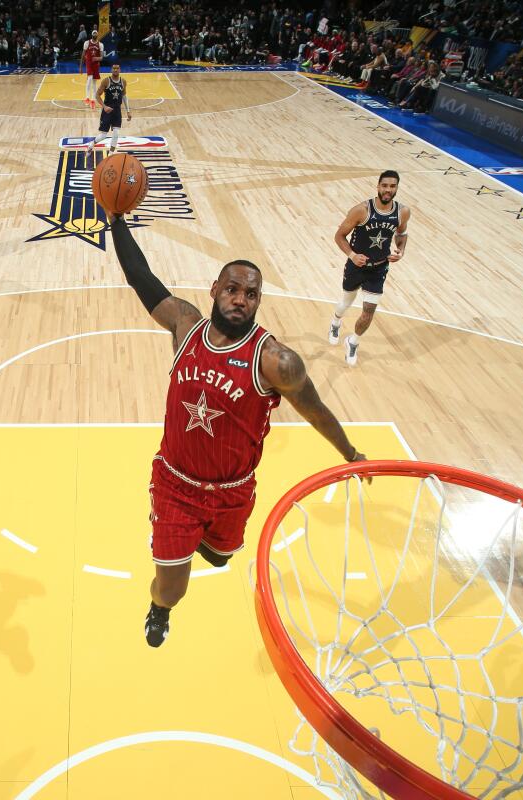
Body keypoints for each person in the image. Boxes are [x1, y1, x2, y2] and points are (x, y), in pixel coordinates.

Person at [108, 215, 367, 647]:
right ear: (214, 290)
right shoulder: (185, 326)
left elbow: (316, 410)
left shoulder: (275, 362)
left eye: (251, 294)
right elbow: (141, 277)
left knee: (220, 556)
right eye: (232, 289)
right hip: (176, 485)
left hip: (233, 491)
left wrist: (350, 453)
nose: (240, 300)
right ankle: (159, 608)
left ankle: (207, 543)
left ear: (258, 301)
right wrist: (115, 219)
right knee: (172, 589)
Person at [328, 170, 412, 366]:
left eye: (392, 186)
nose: (388, 190)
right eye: (384, 185)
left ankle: (353, 341)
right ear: (378, 186)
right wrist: (352, 255)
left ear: (397, 188)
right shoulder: (361, 210)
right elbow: (339, 236)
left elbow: (402, 234)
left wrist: (400, 250)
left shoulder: (403, 212)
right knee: (346, 302)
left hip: (379, 268)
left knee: (369, 311)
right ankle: (335, 322)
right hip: (356, 266)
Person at [87, 63, 130, 156]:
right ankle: (91, 144)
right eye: (114, 68)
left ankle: (110, 154)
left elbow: (124, 96)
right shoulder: (106, 81)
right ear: (111, 70)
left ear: (120, 70)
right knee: (103, 135)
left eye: (117, 68)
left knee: (116, 133)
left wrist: (128, 111)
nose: (115, 70)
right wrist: (104, 106)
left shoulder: (123, 81)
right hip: (107, 110)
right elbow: (97, 95)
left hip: (117, 110)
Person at [82, 30, 105, 109]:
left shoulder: (100, 44)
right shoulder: (87, 43)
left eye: (96, 33)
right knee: (89, 79)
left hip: (96, 65)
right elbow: (83, 54)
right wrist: (81, 66)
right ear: (92, 35)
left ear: (97, 35)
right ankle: (87, 98)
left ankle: (93, 100)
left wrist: (97, 58)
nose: (95, 34)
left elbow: (101, 57)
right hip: (89, 63)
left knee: (94, 83)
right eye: (94, 33)